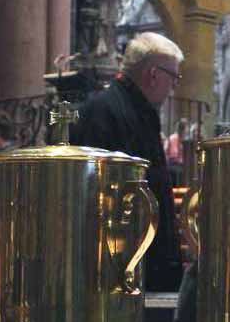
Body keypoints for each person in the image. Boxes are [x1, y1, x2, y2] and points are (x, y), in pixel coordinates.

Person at [69, 32, 184, 293]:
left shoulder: (137, 109)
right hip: (121, 266)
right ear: (153, 74)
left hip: (141, 258)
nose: (174, 86)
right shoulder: (104, 112)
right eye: (174, 77)